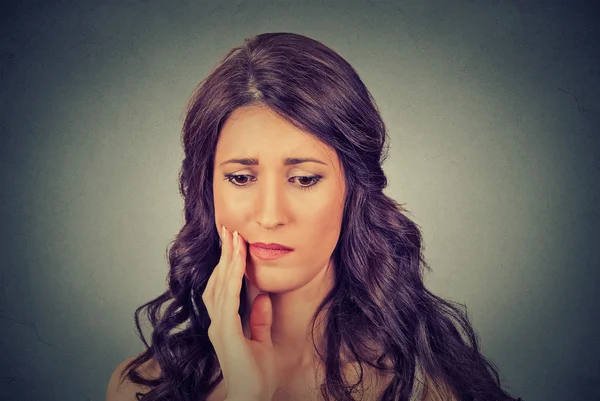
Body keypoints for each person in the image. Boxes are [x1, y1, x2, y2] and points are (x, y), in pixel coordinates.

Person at [106, 32, 522, 401]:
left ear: (353, 190)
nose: (270, 215)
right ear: (207, 189)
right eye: (239, 177)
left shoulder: (427, 388)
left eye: (304, 179)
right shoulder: (139, 386)